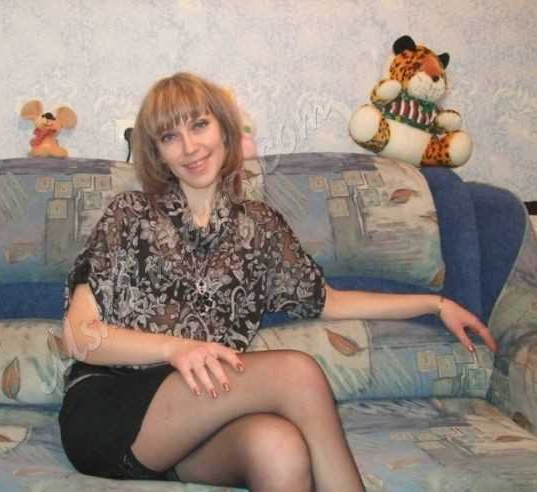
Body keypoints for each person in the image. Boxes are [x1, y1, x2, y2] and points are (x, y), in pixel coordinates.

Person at [58, 72, 497, 492]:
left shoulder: (259, 228)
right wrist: (176, 349)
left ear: (224, 129)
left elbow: (330, 302)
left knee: (280, 450)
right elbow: (79, 336)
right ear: (157, 153)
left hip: (199, 421)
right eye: (170, 136)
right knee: (297, 373)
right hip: (112, 409)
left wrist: (435, 304)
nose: (190, 147)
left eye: (199, 125)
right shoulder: (130, 214)